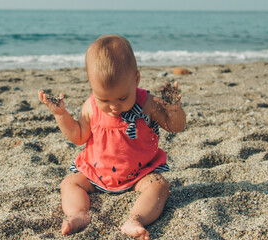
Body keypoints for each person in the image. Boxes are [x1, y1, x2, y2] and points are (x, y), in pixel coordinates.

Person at [38, 35, 186, 239]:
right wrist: (61, 115)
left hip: (138, 174)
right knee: (69, 183)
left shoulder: (148, 104)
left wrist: (174, 111)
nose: (114, 106)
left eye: (123, 98)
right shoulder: (90, 106)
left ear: (136, 79)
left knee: (159, 185)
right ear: (92, 87)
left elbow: (174, 127)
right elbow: (78, 136)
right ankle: (78, 214)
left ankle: (135, 219)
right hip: (96, 173)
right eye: (104, 99)